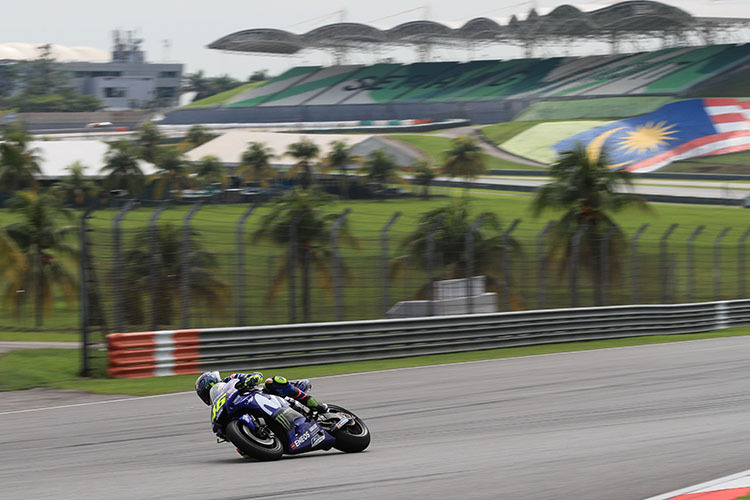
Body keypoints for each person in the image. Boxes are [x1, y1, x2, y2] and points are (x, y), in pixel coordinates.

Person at [195, 371, 328, 413]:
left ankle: (316, 405)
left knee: (273, 382)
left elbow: (256, 375)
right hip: (246, 407)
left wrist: (251, 379)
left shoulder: (231, 379)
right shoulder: (218, 406)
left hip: (261, 396)